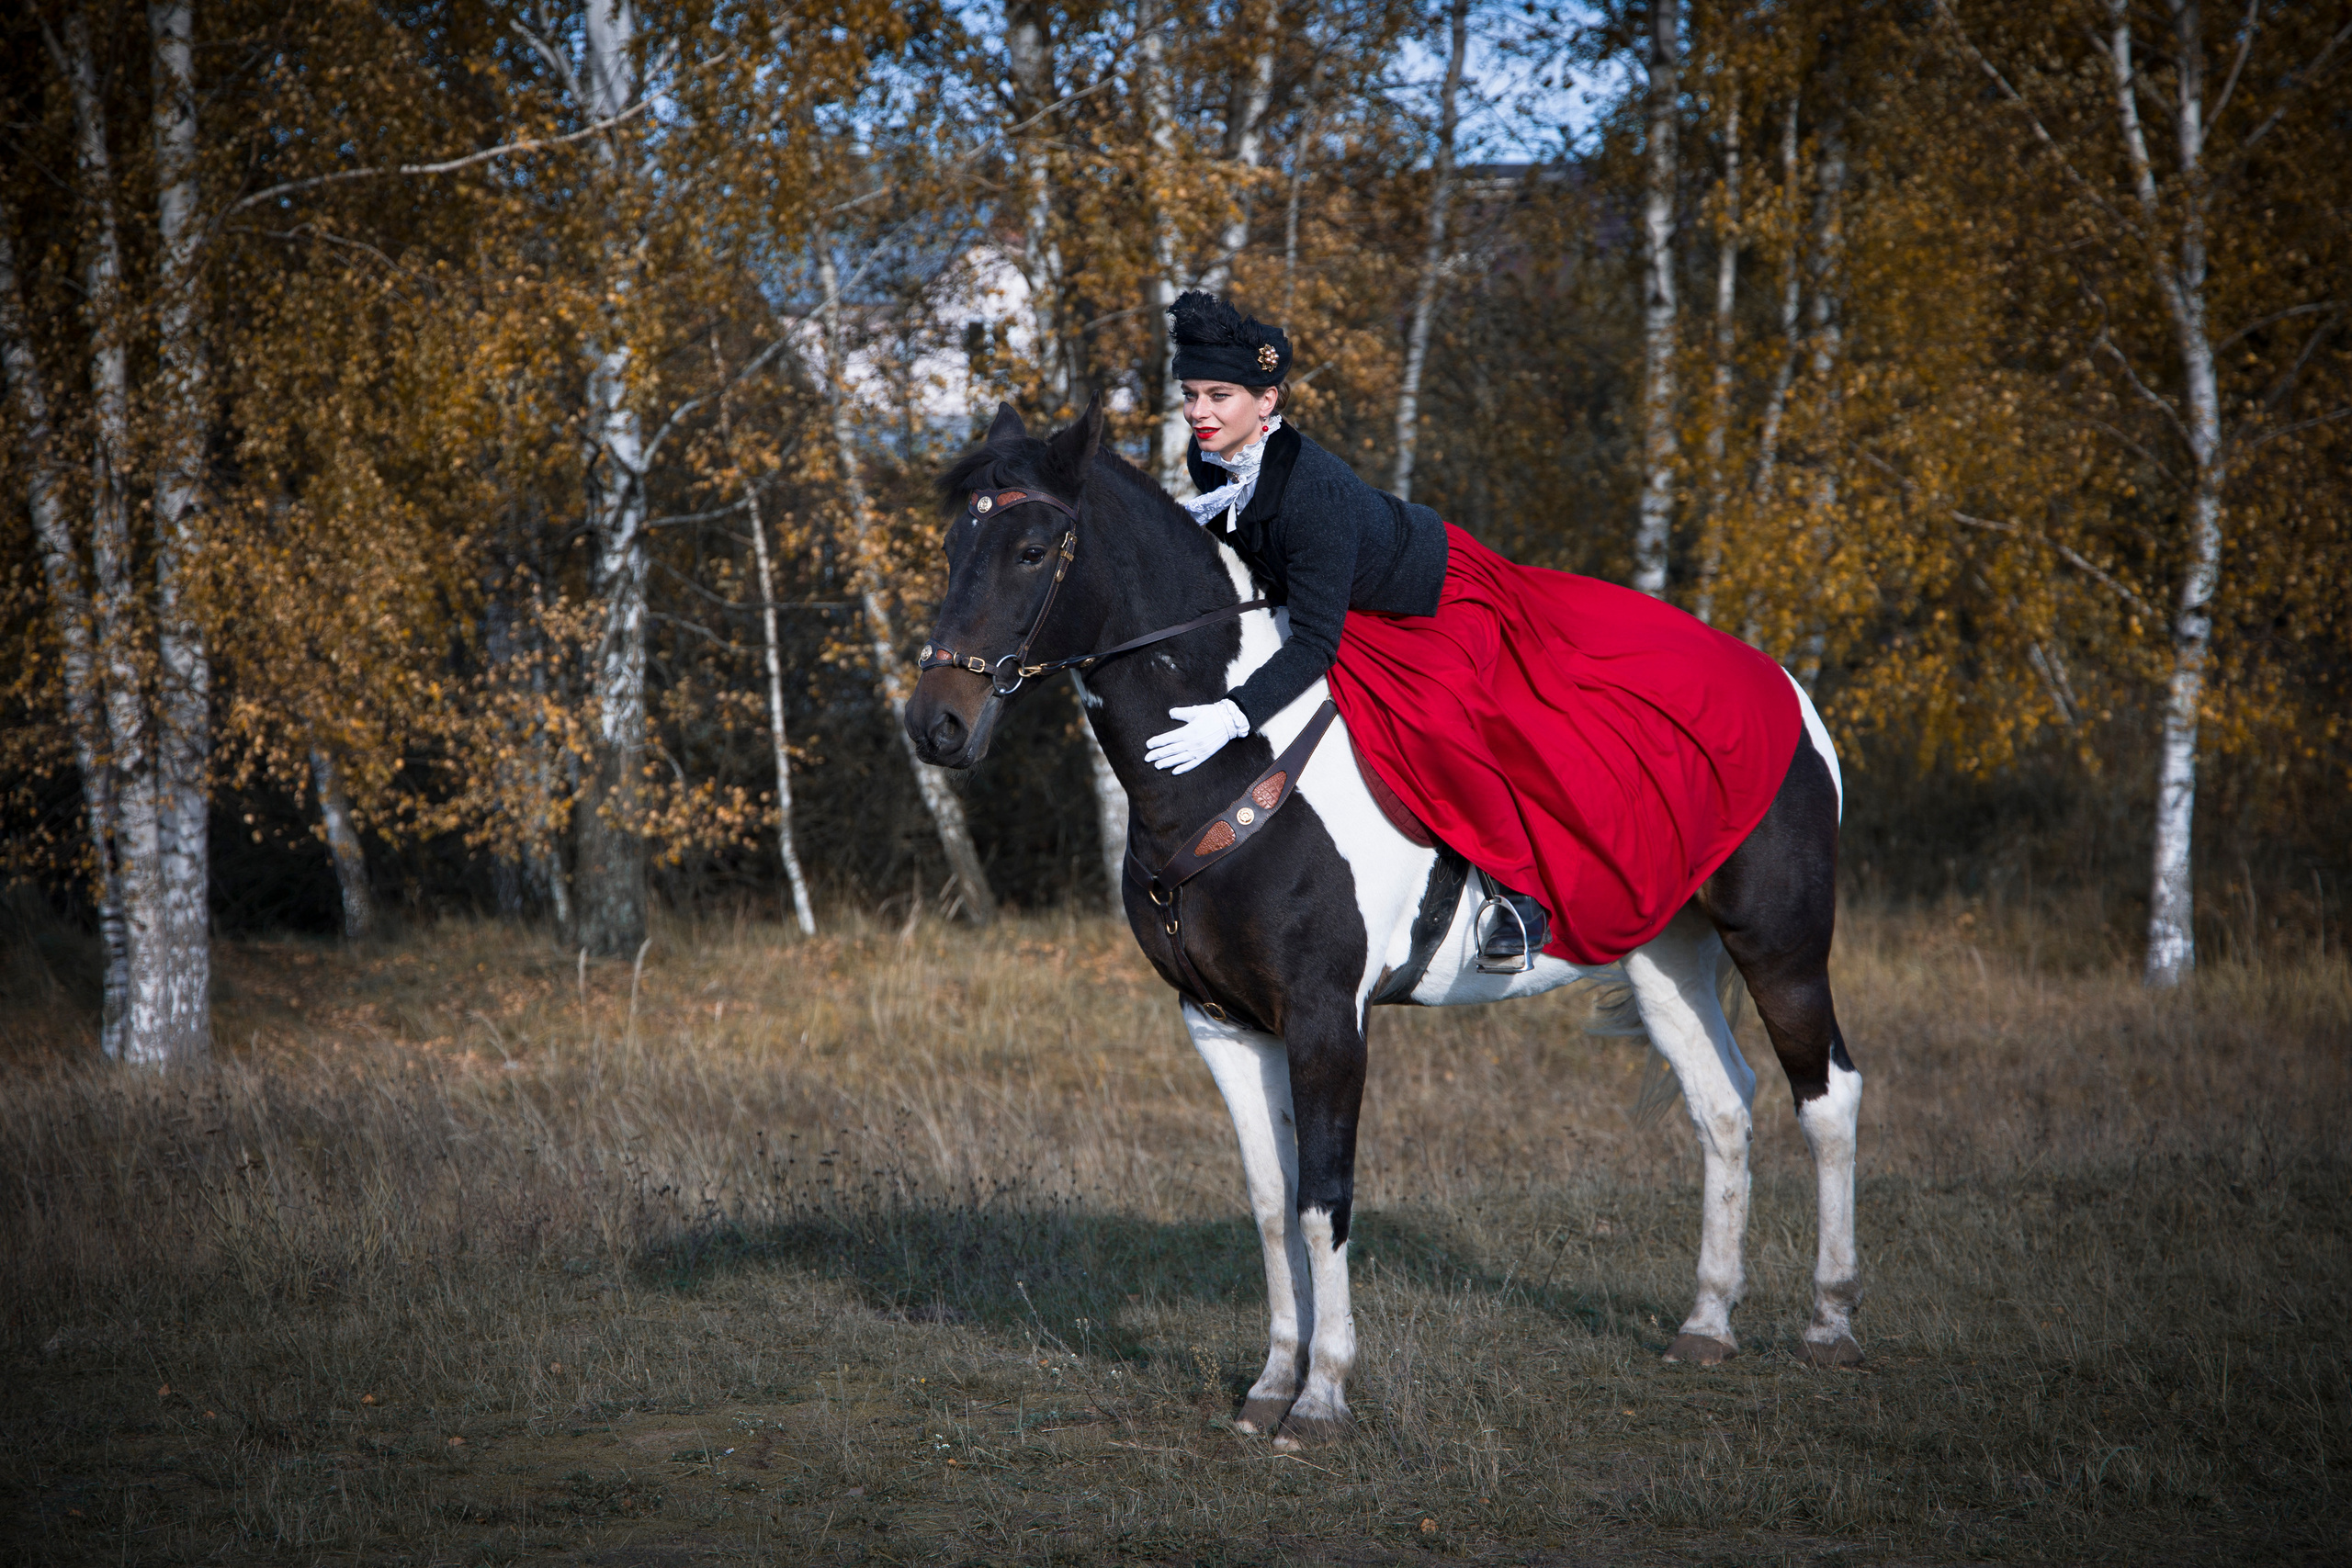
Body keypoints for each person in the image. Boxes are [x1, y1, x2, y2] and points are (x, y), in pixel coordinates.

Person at [1143, 290, 1805, 971]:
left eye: (1219, 395)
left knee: (1441, 721)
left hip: (1431, 601)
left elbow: (1315, 642)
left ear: (1268, 401)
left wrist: (1234, 714)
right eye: (1191, 394)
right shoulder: (1211, 458)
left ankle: (1518, 897)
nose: (1199, 412)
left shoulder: (1310, 491)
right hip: (1356, 610)